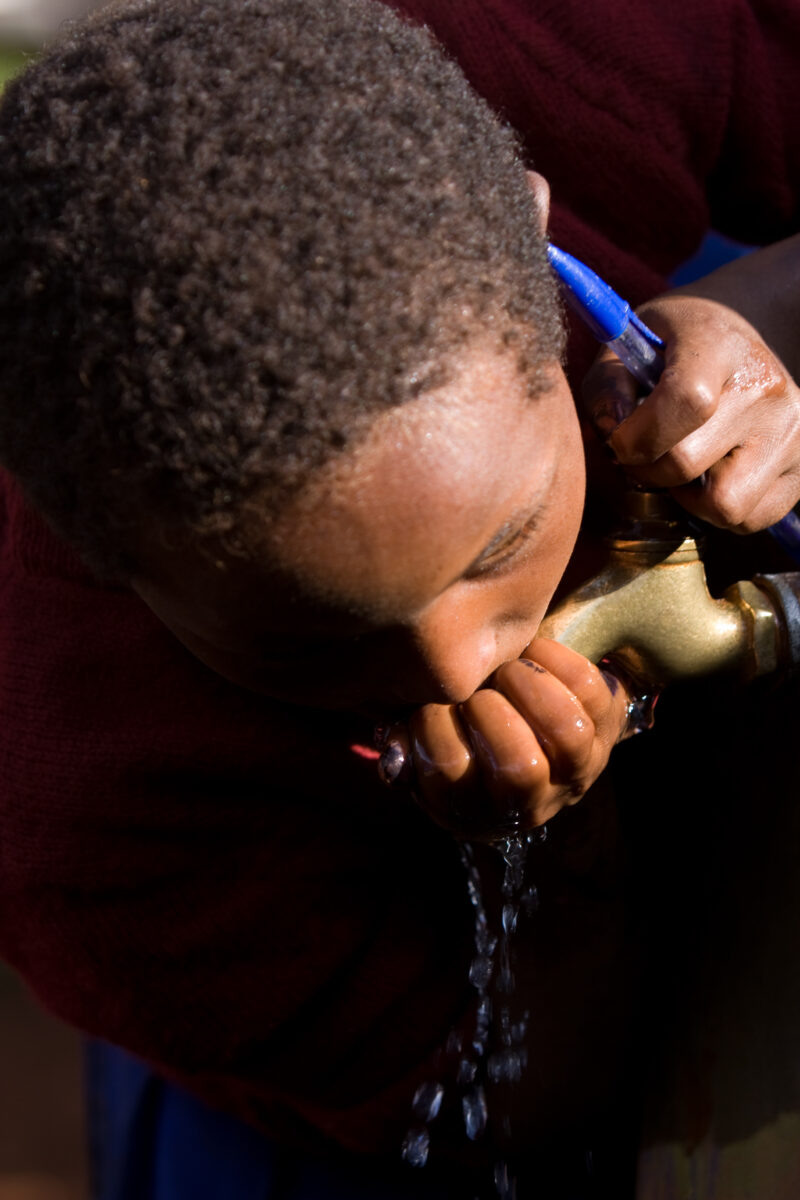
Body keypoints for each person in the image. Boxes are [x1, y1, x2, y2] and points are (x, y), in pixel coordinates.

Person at [1, 0, 800, 1197]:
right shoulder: (90, 811)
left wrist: (762, 321)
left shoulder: (562, 39)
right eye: (310, 640)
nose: (457, 671)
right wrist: (555, 859)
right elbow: (510, 1100)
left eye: (502, 542)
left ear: (529, 236)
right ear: (116, 560)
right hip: (296, 957)